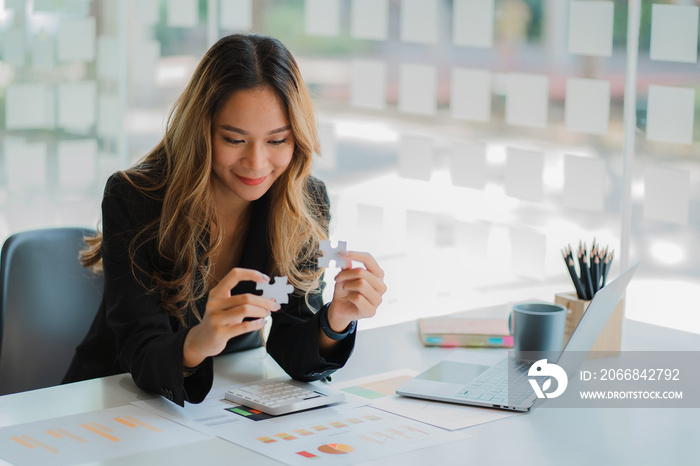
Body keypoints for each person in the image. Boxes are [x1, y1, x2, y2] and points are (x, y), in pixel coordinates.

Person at [63, 34, 387, 406]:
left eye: (277, 141)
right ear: (201, 131)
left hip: (224, 399)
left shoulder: (304, 201)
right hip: (113, 396)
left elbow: (293, 345)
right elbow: (141, 349)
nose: (257, 163)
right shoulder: (135, 198)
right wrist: (199, 342)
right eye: (235, 140)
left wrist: (336, 319)